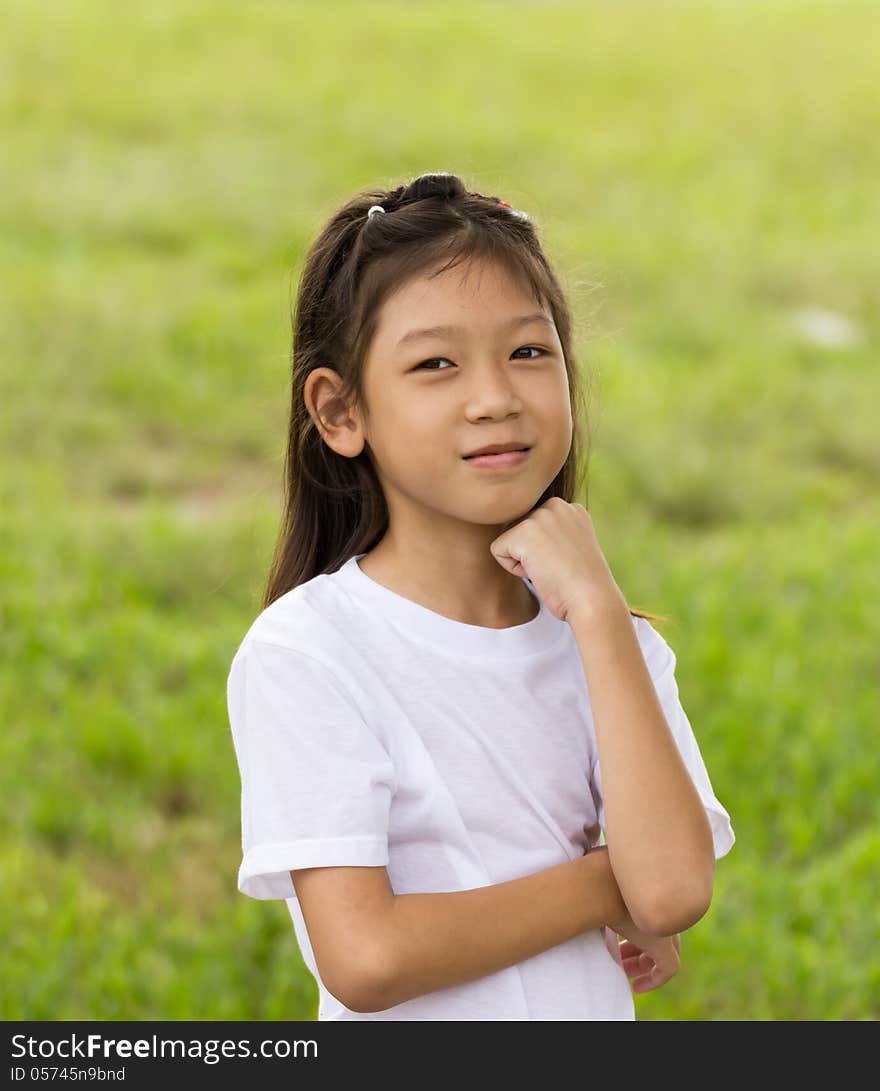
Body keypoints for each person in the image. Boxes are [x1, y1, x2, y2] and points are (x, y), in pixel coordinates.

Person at [226, 170, 735, 1021]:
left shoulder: (613, 645)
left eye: (529, 352)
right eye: (436, 363)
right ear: (340, 411)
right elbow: (368, 955)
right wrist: (608, 883)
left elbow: (676, 890)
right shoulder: (310, 652)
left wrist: (602, 617)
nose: (495, 398)